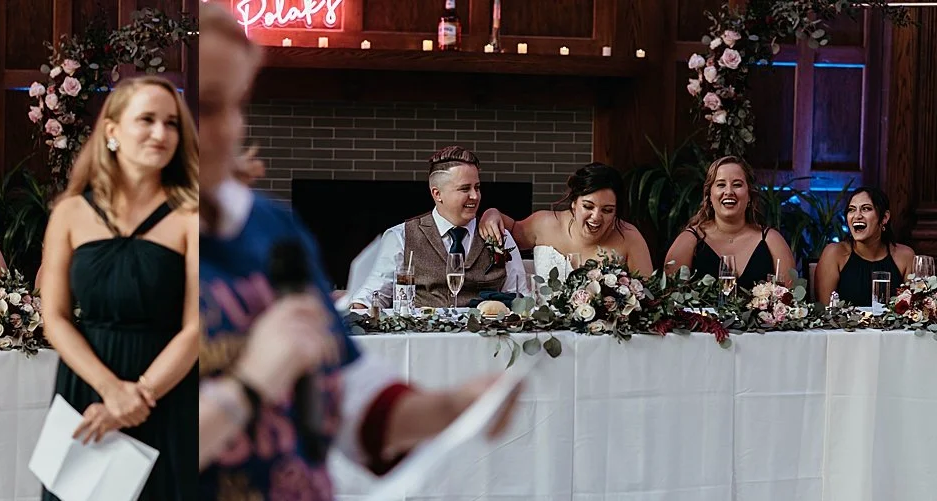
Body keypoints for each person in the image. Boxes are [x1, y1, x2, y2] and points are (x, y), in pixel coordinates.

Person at [197, 4, 519, 499]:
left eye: (234, 105)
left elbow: (347, 390)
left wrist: (452, 407)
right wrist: (251, 384)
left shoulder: (275, 229)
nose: (226, 130)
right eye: (205, 105)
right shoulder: (119, 246)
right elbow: (121, 440)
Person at [39, 75, 200, 500]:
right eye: (146, 119)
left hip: (167, 389)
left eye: (172, 123)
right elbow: (53, 317)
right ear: (112, 131)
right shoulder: (69, 214)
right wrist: (111, 392)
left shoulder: (192, 217)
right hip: (87, 384)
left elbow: (197, 328)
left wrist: (139, 395)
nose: (161, 133)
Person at [348, 146, 528, 310]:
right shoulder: (401, 236)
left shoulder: (499, 236)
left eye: (477, 187)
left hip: (486, 340)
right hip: (424, 340)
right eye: (465, 189)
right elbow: (374, 294)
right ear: (437, 193)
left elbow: (520, 297)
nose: (475, 196)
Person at [478, 163, 654, 279]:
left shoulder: (629, 238)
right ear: (574, 202)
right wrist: (492, 213)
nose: (596, 217)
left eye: (607, 210)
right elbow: (510, 230)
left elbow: (647, 296)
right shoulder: (544, 224)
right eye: (588, 206)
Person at [664, 156, 796, 289]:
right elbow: (670, 301)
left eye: (737, 185)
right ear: (709, 195)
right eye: (721, 185)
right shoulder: (689, 241)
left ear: (749, 195)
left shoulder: (772, 240)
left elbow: (791, 302)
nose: (728, 192)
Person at [815, 187, 915, 306]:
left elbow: (914, 312)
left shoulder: (905, 256)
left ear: (884, 218)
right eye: (851, 210)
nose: (857, 215)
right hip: (843, 325)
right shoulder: (834, 254)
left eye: (866, 209)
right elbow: (825, 313)